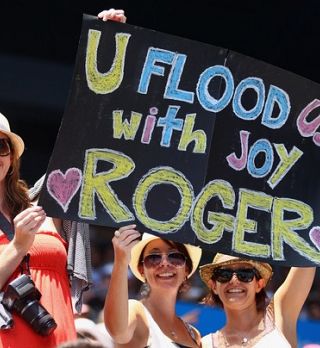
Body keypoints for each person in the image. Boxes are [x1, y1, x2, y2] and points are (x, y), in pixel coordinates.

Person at [103, 224, 202, 347]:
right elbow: (118, 332)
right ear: (141, 270)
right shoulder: (136, 311)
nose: (165, 263)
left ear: (186, 269)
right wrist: (121, 261)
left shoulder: (193, 334)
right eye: (154, 258)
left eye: (175, 256)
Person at [199, 253, 316, 348]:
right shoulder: (205, 344)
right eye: (224, 274)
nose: (234, 280)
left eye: (245, 274)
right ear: (213, 286)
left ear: (259, 284)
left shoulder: (279, 315)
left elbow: (309, 251)